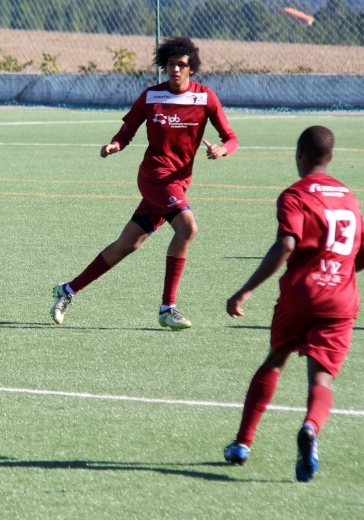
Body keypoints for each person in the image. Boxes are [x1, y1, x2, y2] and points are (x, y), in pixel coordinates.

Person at [51, 36, 238, 330]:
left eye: (181, 65)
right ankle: (168, 307)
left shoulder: (205, 98)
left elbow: (231, 138)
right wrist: (115, 144)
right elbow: (127, 131)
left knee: (127, 245)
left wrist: (222, 149)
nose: (175, 70)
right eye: (170, 65)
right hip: (154, 176)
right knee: (188, 227)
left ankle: (68, 290)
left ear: (191, 69)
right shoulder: (151, 96)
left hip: (177, 182)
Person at [222, 125, 364, 483]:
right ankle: (309, 427)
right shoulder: (349, 196)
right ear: (331, 157)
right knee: (321, 377)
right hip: (340, 300)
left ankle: (242, 443)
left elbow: (286, 246)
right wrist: (336, 272)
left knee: (275, 359)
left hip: (299, 296)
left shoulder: (295, 194)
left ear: (299, 154)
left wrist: (245, 290)